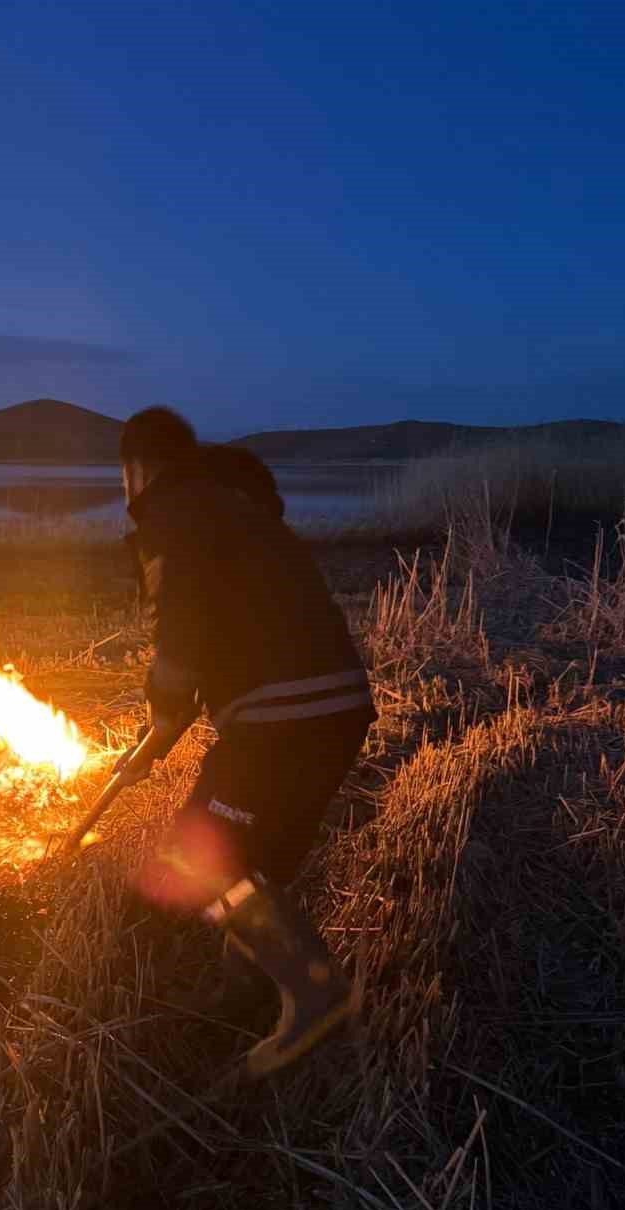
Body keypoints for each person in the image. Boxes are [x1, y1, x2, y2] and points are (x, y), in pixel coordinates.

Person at [118, 407, 375, 1079]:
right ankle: (248, 988)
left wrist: (164, 702)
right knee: (252, 863)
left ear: (137, 468)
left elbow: (182, 638)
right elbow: (227, 634)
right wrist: (157, 742)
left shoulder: (172, 515)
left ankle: (316, 993)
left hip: (280, 717)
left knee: (195, 854)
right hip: (340, 709)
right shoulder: (242, 521)